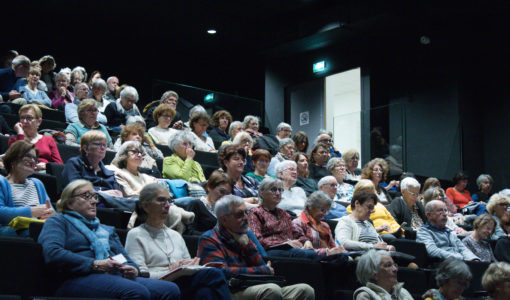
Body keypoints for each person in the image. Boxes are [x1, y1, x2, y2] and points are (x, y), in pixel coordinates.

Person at [37, 180, 180, 299]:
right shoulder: (58, 222)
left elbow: (126, 259)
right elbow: (53, 253)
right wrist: (95, 264)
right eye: (87, 196)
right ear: (69, 203)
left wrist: (133, 270)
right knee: (136, 292)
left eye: (95, 196)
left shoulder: (106, 229)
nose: (93, 201)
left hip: (113, 276)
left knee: (169, 290)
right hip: (75, 277)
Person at [124, 183, 232, 300]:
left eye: (168, 201)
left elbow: (187, 263)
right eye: (161, 200)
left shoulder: (175, 235)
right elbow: (140, 274)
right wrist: (172, 272)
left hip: (182, 282)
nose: (167, 205)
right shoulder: (135, 234)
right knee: (214, 274)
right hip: (159, 285)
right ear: (145, 206)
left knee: (205, 292)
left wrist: (190, 264)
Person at [198, 195, 315, 300]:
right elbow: (219, 272)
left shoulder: (244, 237)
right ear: (224, 219)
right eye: (239, 214)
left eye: (246, 213)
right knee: (271, 290)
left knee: (305, 290)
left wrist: (247, 246)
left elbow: (263, 266)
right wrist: (261, 270)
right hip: (230, 291)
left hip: (254, 285)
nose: (245, 218)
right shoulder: (210, 239)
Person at [248, 177, 319, 259]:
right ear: (261, 193)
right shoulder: (255, 212)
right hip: (270, 251)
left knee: (313, 253)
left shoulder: (284, 213)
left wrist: (306, 241)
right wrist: (285, 243)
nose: (278, 193)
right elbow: (256, 240)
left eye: (280, 190)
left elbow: (297, 233)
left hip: (290, 249)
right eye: (273, 190)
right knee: (305, 255)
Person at [0, 141, 54, 236]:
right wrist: (32, 211)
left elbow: (52, 212)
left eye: (35, 158)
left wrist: (51, 214)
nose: (33, 161)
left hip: (40, 229)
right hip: (16, 232)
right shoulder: (2, 182)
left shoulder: (37, 183)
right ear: (14, 158)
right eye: (28, 156)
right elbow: (1, 213)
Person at [61, 130, 121, 196]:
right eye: (98, 144)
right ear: (86, 148)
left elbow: (118, 194)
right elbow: (74, 191)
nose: (103, 148)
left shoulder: (109, 173)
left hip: (110, 204)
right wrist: (101, 193)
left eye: (104, 145)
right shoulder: (74, 164)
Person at [9, 104, 63, 169]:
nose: (24, 121)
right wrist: (20, 134)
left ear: (39, 121)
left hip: (45, 175)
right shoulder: (14, 140)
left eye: (29, 118)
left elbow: (59, 165)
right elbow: (18, 160)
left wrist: (47, 166)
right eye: (22, 118)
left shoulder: (49, 140)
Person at [293, 191, 347, 256]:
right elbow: (302, 251)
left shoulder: (325, 225)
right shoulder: (297, 223)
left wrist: (338, 250)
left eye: (327, 211)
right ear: (310, 207)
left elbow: (332, 246)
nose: (324, 214)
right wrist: (327, 252)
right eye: (322, 210)